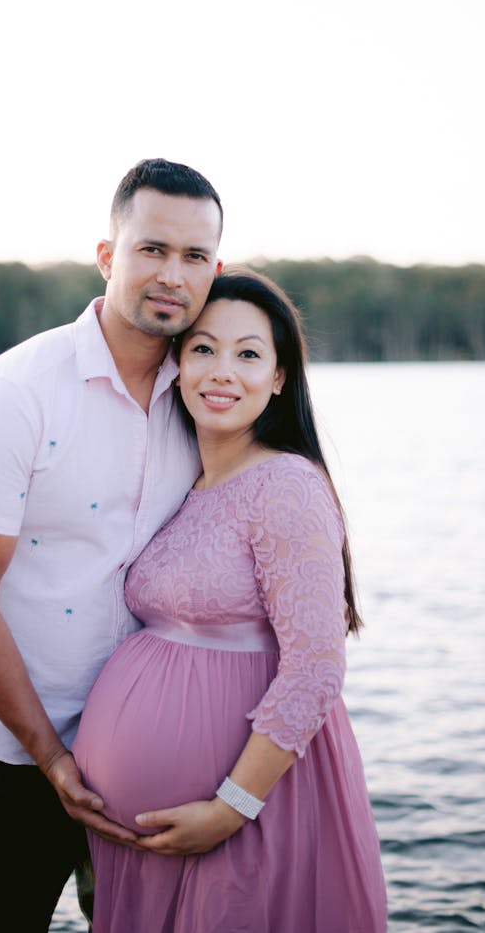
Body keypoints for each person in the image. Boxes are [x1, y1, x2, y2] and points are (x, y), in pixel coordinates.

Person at [0, 158, 224, 932]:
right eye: (151, 248)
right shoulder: (12, 397)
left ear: (215, 271)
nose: (172, 274)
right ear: (106, 255)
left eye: (194, 257)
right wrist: (52, 757)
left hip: (147, 758)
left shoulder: (204, 400)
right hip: (12, 760)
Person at [73, 268, 388, 932]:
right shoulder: (182, 482)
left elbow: (316, 668)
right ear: (178, 366)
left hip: (246, 810)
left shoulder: (285, 486)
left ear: (278, 377)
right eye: (204, 349)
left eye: (248, 353)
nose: (223, 371)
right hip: (146, 835)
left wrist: (230, 806)